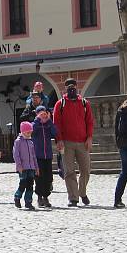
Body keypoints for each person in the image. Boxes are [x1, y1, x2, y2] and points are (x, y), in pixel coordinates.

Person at [53, 78, 94, 207]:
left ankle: (82, 192)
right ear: (65, 88)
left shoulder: (84, 103)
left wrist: (89, 137)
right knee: (69, 171)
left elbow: (90, 121)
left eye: (73, 86)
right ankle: (73, 197)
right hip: (66, 142)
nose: (71, 88)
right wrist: (59, 140)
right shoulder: (60, 104)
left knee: (86, 170)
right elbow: (56, 124)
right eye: (68, 86)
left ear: (77, 87)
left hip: (82, 142)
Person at [32, 106, 57, 208]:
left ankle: (46, 197)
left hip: (48, 155)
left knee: (48, 177)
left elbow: (55, 132)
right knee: (39, 177)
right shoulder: (35, 124)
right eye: (40, 113)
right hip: (38, 155)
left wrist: (49, 121)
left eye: (44, 113)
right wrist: (38, 120)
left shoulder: (48, 125)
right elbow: (32, 131)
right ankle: (39, 197)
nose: (43, 115)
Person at [13, 121, 39, 210]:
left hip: (31, 167)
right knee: (23, 184)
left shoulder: (30, 142)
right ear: (23, 132)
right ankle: (17, 197)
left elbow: (34, 156)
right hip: (23, 167)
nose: (29, 134)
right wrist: (19, 165)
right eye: (28, 132)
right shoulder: (18, 142)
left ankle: (28, 201)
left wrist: (36, 167)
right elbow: (16, 155)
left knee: (30, 185)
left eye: (30, 132)